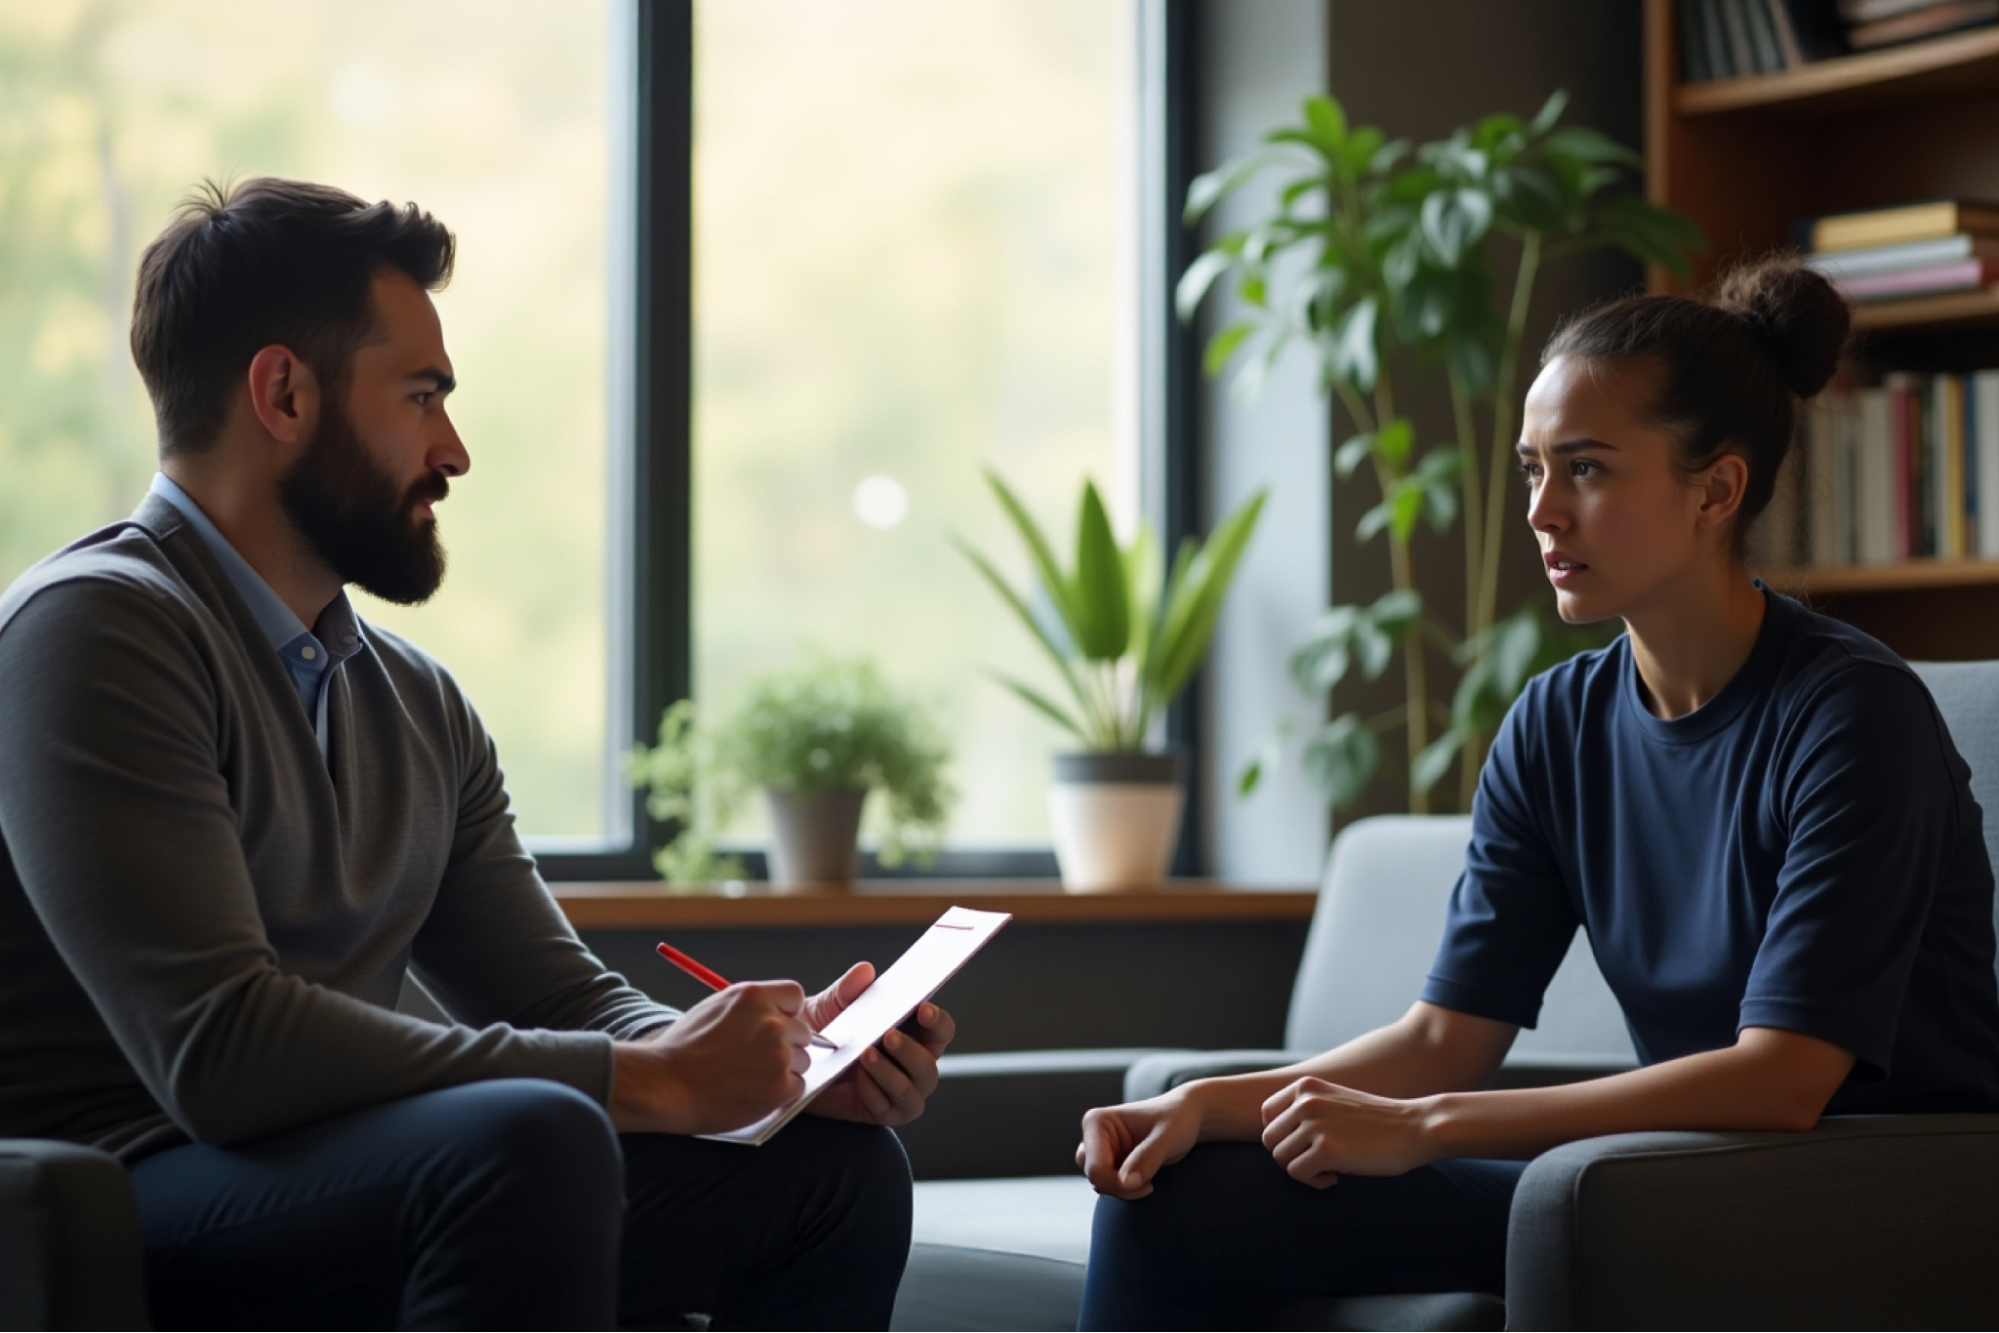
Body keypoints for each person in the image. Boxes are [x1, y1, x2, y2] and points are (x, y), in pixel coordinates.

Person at [0, 177, 954, 1331]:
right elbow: (222, 1047)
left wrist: (767, 1070)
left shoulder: (416, 702)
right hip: (135, 1192)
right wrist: (655, 1081)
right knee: (526, 1138)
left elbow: (557, 992)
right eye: (420, 397)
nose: (453, 451)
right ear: (283, 393)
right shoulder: (93, 630)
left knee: (828, 1175)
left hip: (372, 1176)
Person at [1072, 255, 1999, 1329]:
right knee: (1173, 1196)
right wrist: (1202, 1105)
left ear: (1716, 488)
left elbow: (1782, 1079)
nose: (1542, 511)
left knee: (1561, 1191)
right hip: (1657, 1176)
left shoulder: (1851, 714)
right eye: (1531, 470)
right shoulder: (1554, 725)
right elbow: (1441, 1041)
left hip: (1870, 1181)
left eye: (1588, 469)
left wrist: (1425, 1129)